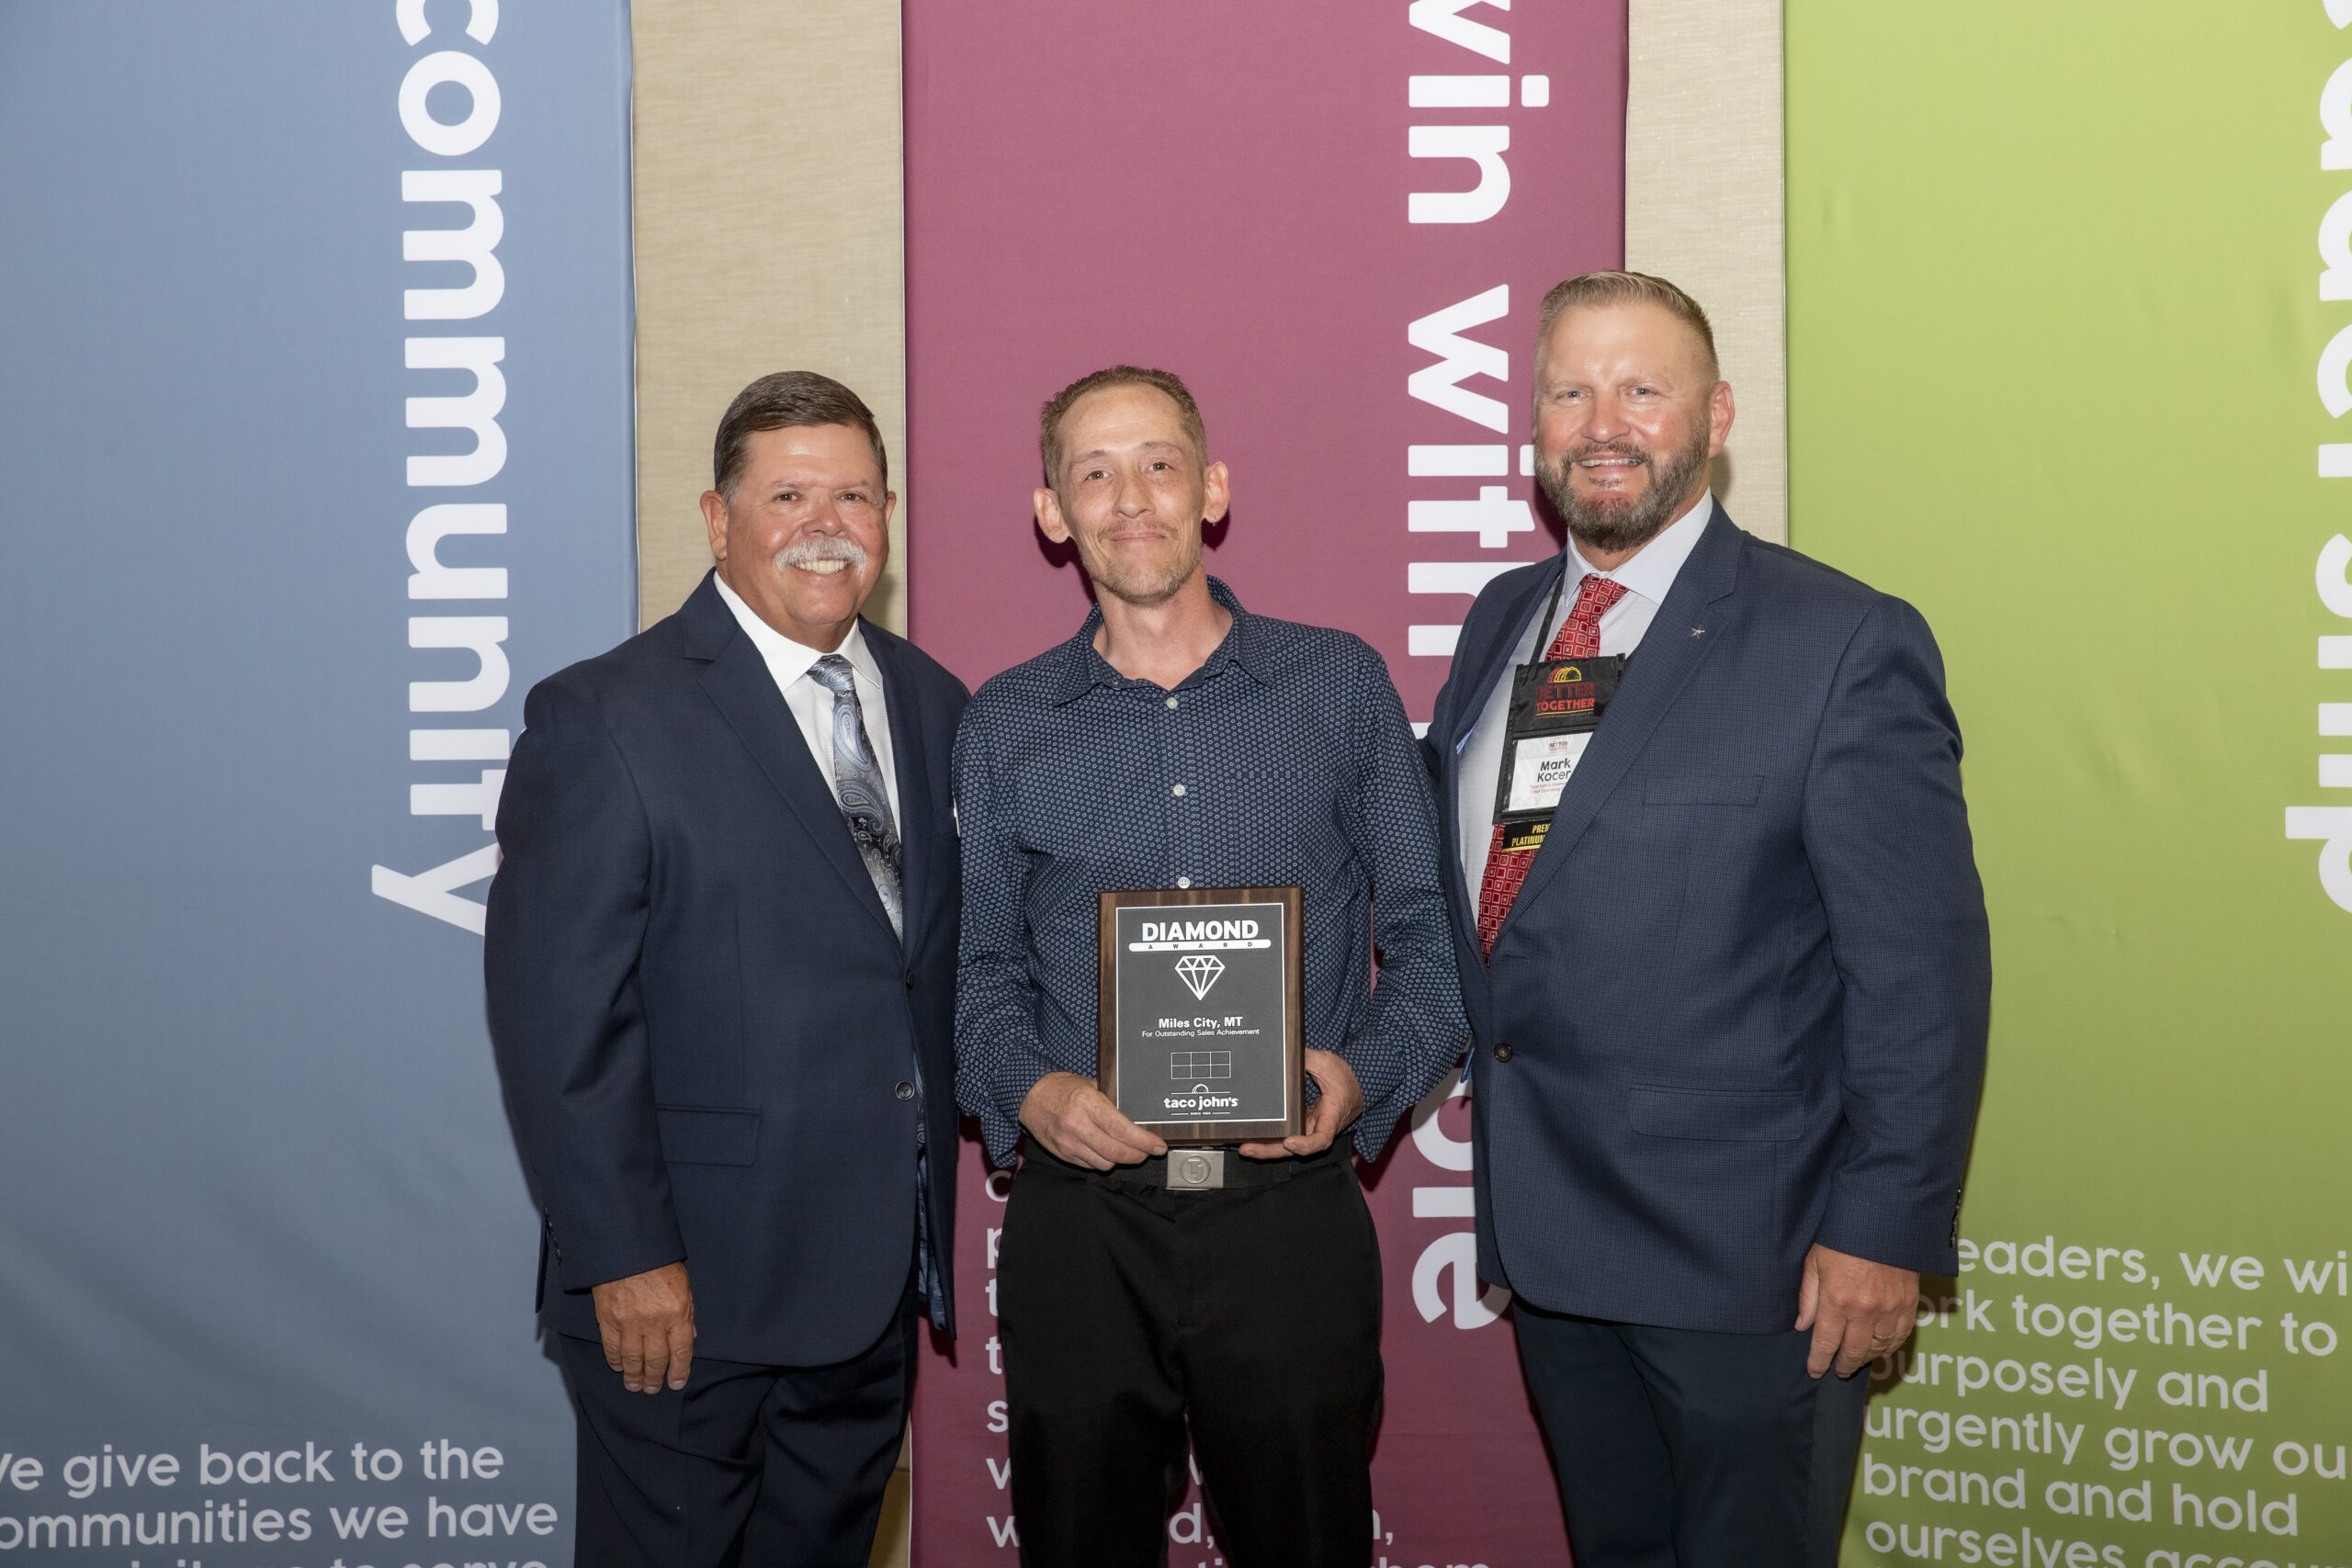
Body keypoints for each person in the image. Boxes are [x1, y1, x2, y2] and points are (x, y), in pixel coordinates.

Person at [1423, 272, 1991, 1567]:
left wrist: (1882, 1230)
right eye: (1570, 392)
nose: (1602, 425)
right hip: (1553, 1247)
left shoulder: (1841, 642)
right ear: (1534, 420)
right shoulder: (1503, 619)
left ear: (1718, 415)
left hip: (1758, 1264)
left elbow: (1920, 975)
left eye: (1643, 390)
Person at [954, 366, 1466, 1568]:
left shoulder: (1338, 684)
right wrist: (1031, 1091)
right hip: (1084, 1225)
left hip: (1287, 1218)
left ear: (1212, 490)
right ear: (1053, 513)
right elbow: (979, 970)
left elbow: (1432, 944)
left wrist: (1359, 1079)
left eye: (1159, 464)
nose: (1131, 497)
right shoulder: (1005, 722)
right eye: (1094, 472)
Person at [484, 371, 967, 1568]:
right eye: (788, 495)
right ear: (717, 519)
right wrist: (625, 1257)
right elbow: (558, 1025)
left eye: (854, 494)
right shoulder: (605, 716)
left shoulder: (933, 702)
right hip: (685, 1300)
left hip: (867, 1294)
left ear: (890, 513)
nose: (826, 524)